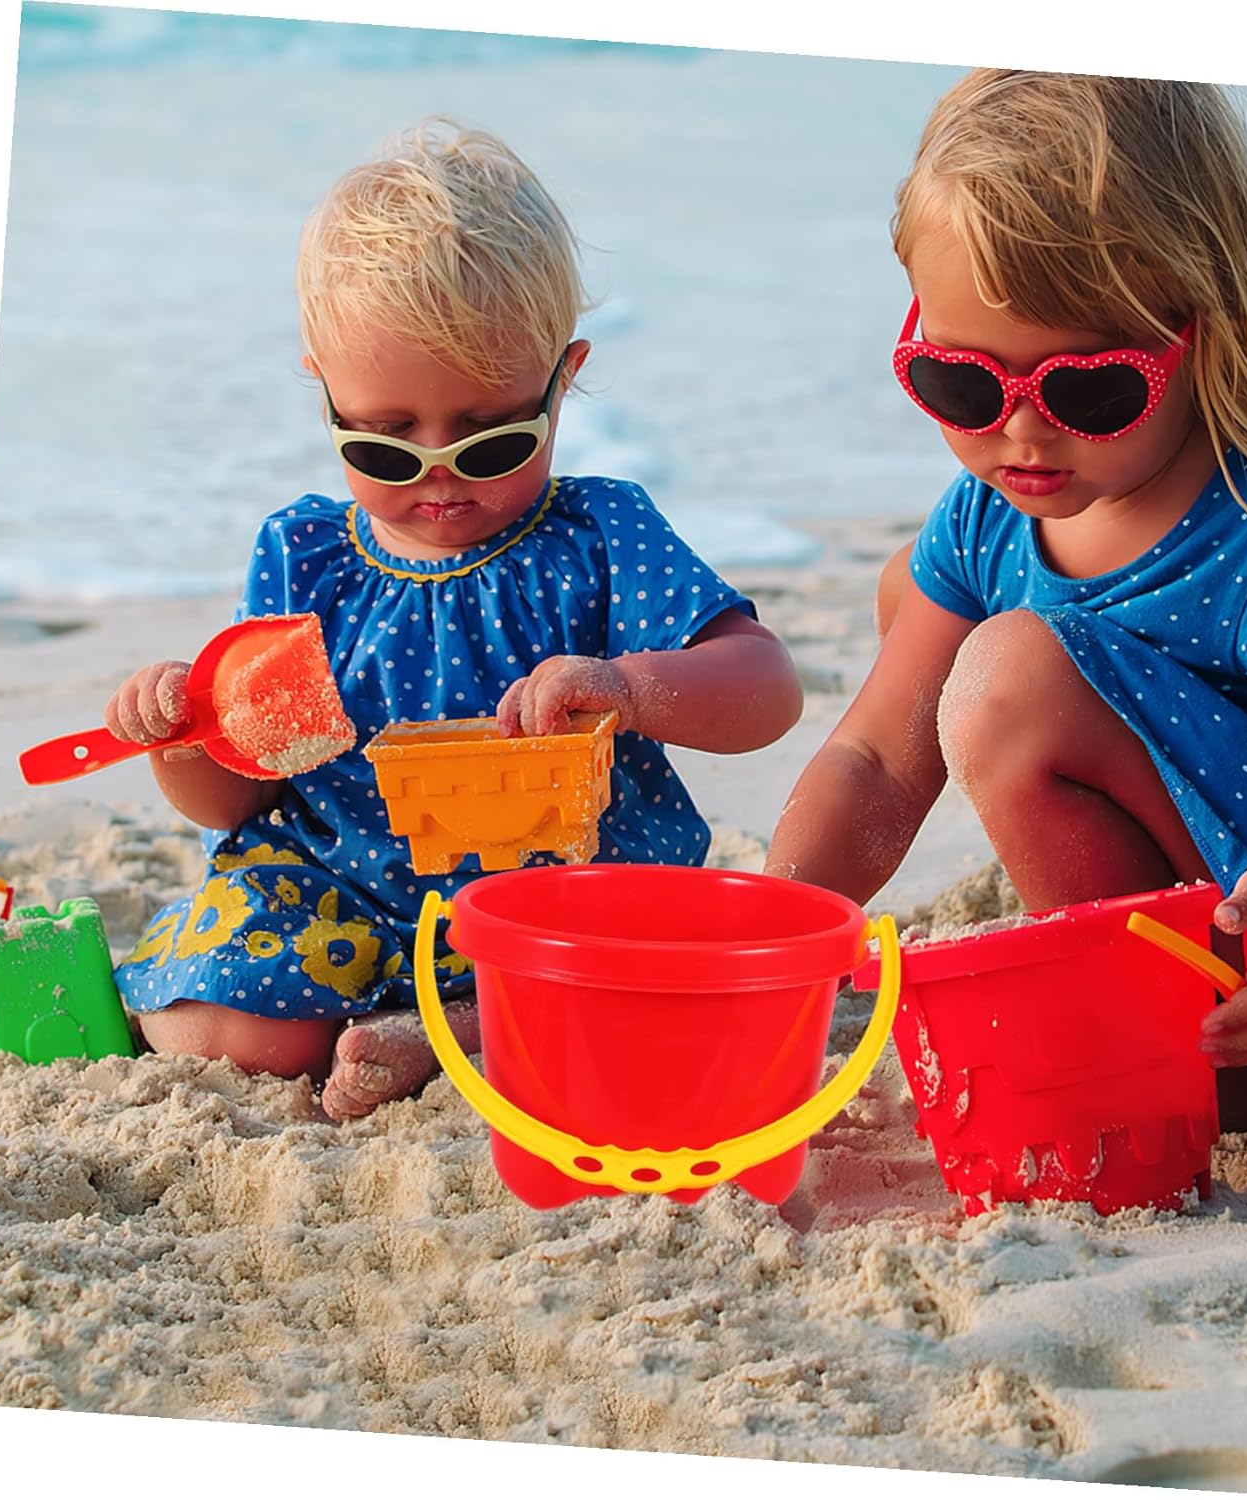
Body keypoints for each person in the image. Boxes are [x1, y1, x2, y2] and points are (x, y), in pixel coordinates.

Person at [107, 119, 803, 1118]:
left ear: (563, 379)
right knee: (220, 1032)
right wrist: (182, 738)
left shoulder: (600, 535)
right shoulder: (304, 558)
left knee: (640, 970)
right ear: (326, 394)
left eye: (489, 441)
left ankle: (452, 1029)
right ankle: (435, 1027)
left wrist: (629, 687)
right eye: (387, 444)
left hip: (557, 901)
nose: (439, 477)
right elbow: (237, 803)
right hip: (343, 895)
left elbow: (766, 689)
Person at [765, 71, 1247, 1129]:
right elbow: (875, 760)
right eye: (962, 383)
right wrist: (771, 936)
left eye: (1088, 389)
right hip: (1219, 961)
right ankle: (1178, 1055)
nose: (1019, 434)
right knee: (916, 603)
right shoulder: (987, 516)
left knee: (1007, 678)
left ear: (1211, 328)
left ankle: (1201, 1081)